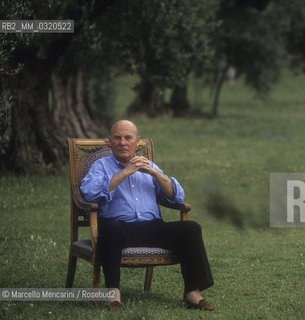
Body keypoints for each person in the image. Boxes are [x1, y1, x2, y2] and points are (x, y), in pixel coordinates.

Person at [80, 120, 214, 311]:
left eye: (128, 138)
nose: (122, 142)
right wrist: (126, 172)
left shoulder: (148, 165)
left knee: (191, 229)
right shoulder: (101, 166)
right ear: (110, 141)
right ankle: (113, 296)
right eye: (117, 138)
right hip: (118, 228)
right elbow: (90, 193)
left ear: (137, 141)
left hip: (152, 228)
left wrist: (153, 172)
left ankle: (193, 293)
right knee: (109, 227)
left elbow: (176, 196)